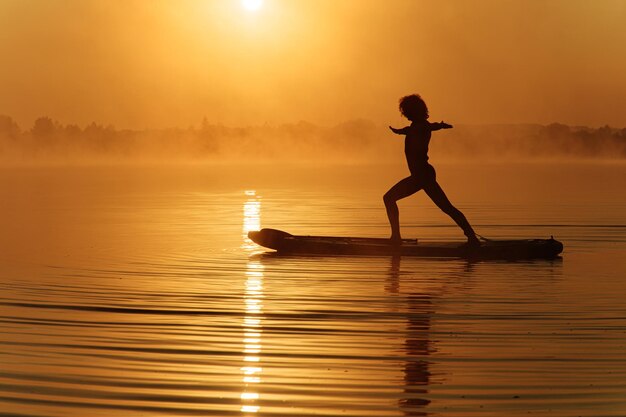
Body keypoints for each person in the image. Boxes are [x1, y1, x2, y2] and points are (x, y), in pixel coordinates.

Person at [384, 94, 480, 246]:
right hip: (420, 175)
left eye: (406, 110)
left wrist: (440, 126)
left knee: (389, 198)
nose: (404, 114)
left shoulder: (421, 126)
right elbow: (412, 130)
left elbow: (426, 127)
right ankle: (472, 237)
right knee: (446, 207)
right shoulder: (416, 127)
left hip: (422, 176)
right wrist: (400, 131)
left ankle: (472, 238)